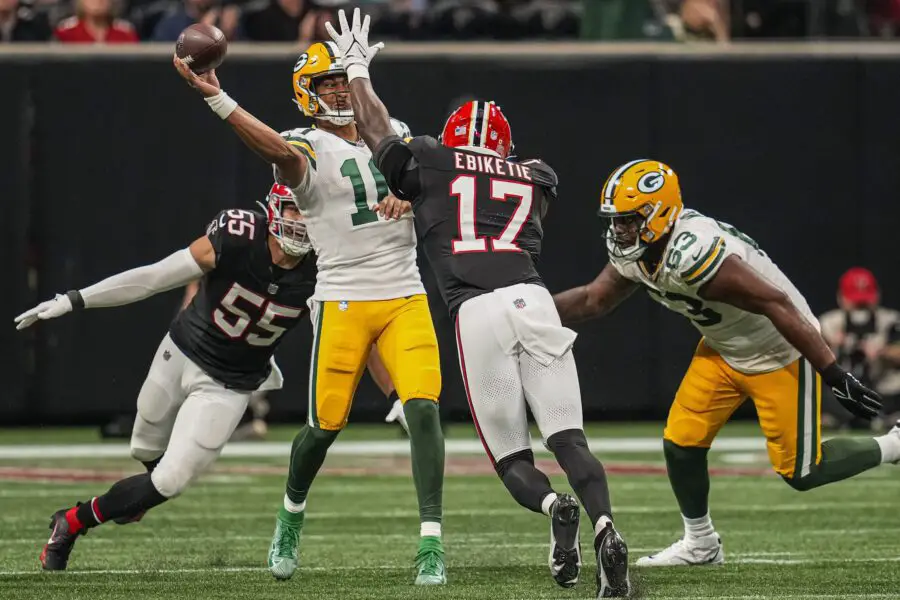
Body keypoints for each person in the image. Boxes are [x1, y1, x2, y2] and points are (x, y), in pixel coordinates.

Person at [323, 9, 631, 597]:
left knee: (512, 457)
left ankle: (552, 508)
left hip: (476, 310)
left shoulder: (434, 157)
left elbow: (378, 132)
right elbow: (511, 209)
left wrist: (358, 68)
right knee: (570, 439)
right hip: (533, 299)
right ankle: (608, 529)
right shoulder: (535, 176)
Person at [172, 41, 446, 585]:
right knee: (323, 426)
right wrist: (219, 100)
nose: (340, 91)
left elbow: (440, 186)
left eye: (345, 81)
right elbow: (279, 152)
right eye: (327, 84)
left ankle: (431, 545)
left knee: (424, 410)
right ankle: (290, 517)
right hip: (343, 297)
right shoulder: (306, 143)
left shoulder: (396, 131)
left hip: (405, 293)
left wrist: (415, 197)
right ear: (308, 94)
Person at [550, 158, 900, 567]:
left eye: (629, 219)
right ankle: (701, 544)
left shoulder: (692, 250)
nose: (620, 229)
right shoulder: (639, 249)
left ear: (659, 212)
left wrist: (832, 371)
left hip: (779, 350)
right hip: (722, 348)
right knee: (681, 444)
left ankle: (894, 444)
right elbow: (596, 298)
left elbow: (777, 303)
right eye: (616, 220)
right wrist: (532, 312)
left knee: (803, 471)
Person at [16, 184, 317, 571]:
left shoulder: (326, 264)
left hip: (230, 384)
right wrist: (76, 299)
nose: (303, 221)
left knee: (169, 481)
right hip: (180, 352)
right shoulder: (238, 237)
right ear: (274, 209)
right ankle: (136, 497)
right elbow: (156, 277)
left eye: (310, 211)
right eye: (295, 210)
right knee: (143, 450)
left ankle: (71, 522)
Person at [820, 267, 900, 430]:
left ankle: (880, 417)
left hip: (882, 390)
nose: (861, 307)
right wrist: (831, 346)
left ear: (877, 295)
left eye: (864, 301)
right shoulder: (829, 322)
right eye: (856, 302)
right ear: (841, 297)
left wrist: (883, 351)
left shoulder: (890, 320)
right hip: (841, 391)